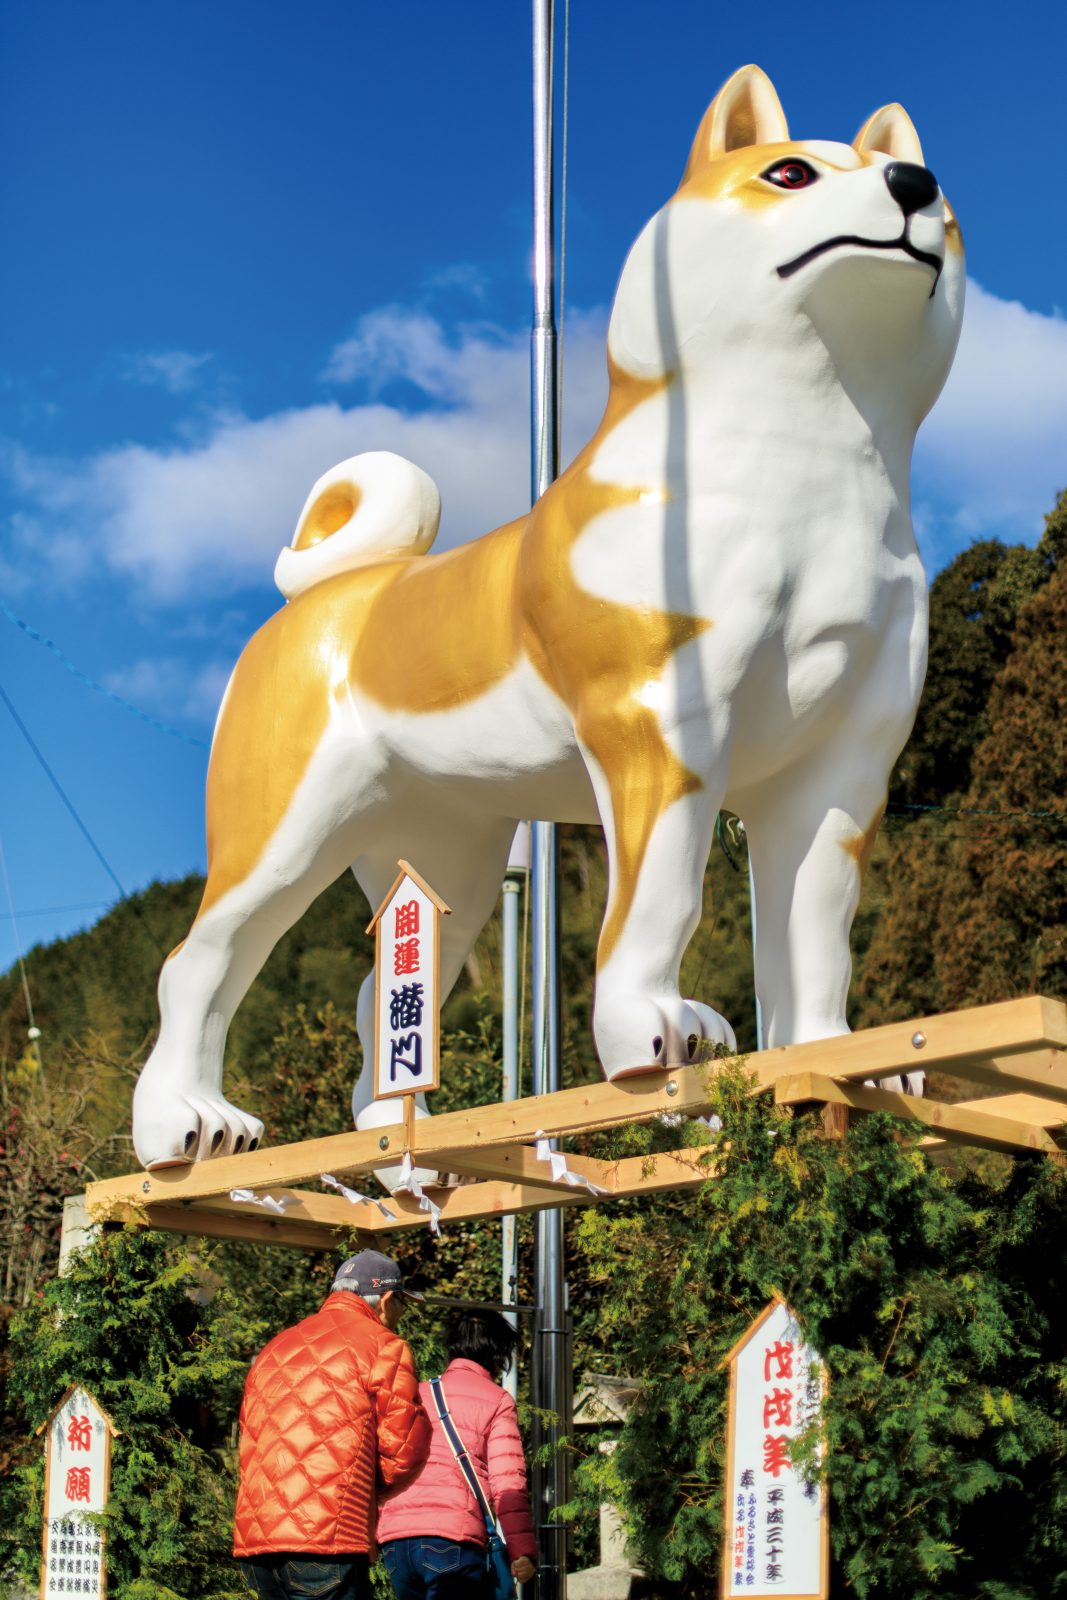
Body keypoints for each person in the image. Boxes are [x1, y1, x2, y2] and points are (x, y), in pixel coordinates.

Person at [234, 1249, 432, 1600]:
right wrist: (364, 1491)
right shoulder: (384, 1346)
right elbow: (402, 1451)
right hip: (328, 1538)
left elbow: (248, 1439)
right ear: (386, 1300)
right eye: (403, 1303)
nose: (402, 1315)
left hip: (258, 1542)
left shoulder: (275, 1347)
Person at [378, 1308, 538, 1598]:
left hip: (396, 1542)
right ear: (498, 1353)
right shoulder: (497, 1400)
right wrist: (522, 1551)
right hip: (452, 1540)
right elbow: (507, 1483)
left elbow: (388, 1460)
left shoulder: (417, 1392)